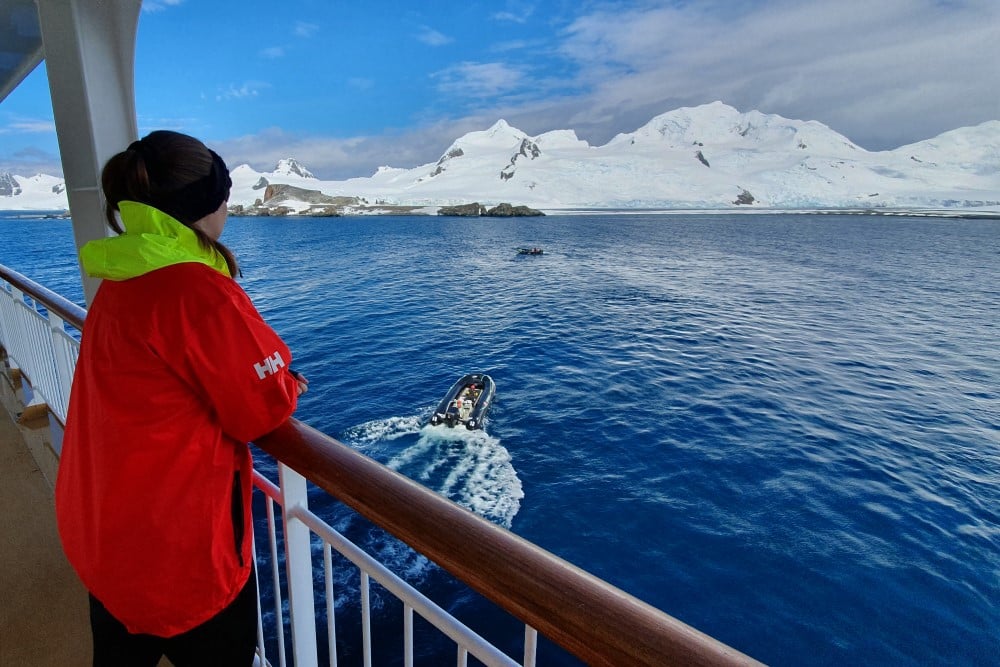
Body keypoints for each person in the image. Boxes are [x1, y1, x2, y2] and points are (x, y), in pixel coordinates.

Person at [54, 130, 308, 666]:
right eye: (225, 190)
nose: (229, 203)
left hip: (108, 537)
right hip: (178, 558)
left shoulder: (121, 279)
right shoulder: (198, 291)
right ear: (201, 205)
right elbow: (258, 407)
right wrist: (288, 382)